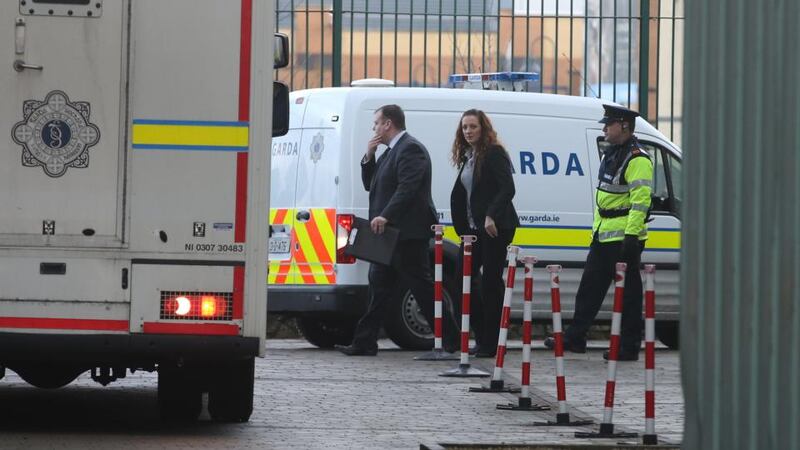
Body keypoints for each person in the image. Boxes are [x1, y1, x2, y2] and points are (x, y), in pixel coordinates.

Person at [336, 104, 458, 356]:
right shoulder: (389, 152)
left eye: (376, 123)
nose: (374, 128)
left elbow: (408, 188)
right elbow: (372, 185)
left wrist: (385, 215)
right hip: (389, 235)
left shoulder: (411, 149)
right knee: (378, 287)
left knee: (421, 288)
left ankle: (451, 339)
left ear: (388, 124)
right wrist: (368, 156)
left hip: (407, 234)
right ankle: (364, 341)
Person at [544, 104, 653, 361]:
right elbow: (604, 199)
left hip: (624, 239)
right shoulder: (611, 154)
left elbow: (640, 202)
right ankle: (576, 337)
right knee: (589, 289)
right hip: (604, 236)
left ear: (624, 126)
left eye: (609, 124)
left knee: (628, 296)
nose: (604, 127)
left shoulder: (638, 158)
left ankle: (628, 347)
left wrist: (630, 237)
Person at [449, 109, 519, 358]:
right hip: (473, 229)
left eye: (473, 127)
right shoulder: (469, 156)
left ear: (483, 128)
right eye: (465, 127)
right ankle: (482, 335)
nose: (468, 131)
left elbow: (507, 188)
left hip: (496, 228)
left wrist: (491, 215)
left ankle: (492, 341)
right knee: (461, 280)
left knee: (491, 282)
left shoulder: (494, 153)